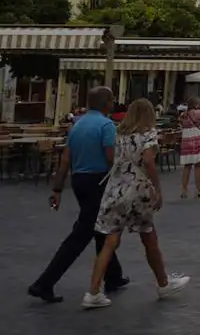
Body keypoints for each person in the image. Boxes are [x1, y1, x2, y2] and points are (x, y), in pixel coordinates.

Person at [83, 99, 189, 308]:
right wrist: (157, 188)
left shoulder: (119, 133)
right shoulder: (148, 133)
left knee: (110, 242)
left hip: (115, 189)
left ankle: (93, 292)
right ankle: (163, 283)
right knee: (149, 237)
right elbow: (148, 161)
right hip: (137, 191)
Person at [29, 86, 128, 303]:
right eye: (112, 100)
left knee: (100, 227)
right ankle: (44, 282)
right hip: (98, 180)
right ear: (106, 103)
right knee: (82, 233)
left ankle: (114, 276)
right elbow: (110, 157)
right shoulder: (106, 125)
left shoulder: (77, 125)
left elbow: (65, 159)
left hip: (79, 180)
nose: (113, 104)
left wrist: (57, 188)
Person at [178, 97, 200, 198]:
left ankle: (184, 190)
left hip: (186, 140)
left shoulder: (183, 115)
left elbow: (181, 125)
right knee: (198, 165)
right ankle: (198, 189)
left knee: (187, 166)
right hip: (196, 138)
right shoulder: (199, 112)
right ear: (196, 104)